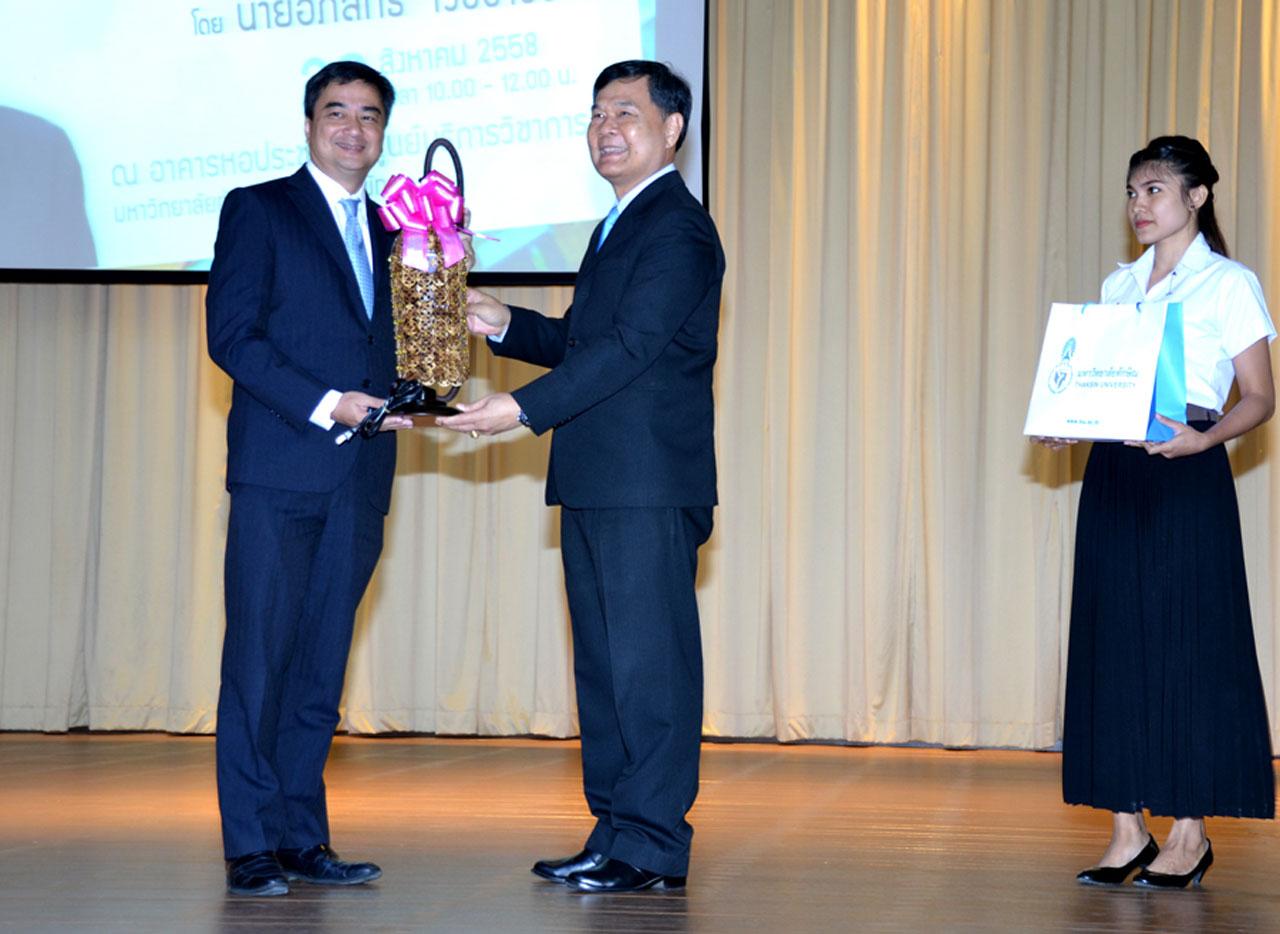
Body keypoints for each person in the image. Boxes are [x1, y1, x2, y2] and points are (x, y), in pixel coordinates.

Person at [437, 60, 725, 893]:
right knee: (604, 671)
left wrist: (521, 410)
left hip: (646, 484)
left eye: (626, 112)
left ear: (673, 129)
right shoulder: (618, 224)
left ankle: (653, 844)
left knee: (650, 669)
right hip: (600, 478)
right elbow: (587, 342)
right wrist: (506, 323)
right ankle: (616, 829)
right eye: (597, 113)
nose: (606, 128)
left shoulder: (677, 228)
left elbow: (630, 349)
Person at [205, 60, 416, 897]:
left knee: (321, 667)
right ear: (308, 124)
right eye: (337, 112)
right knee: (259, 663)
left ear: (383, 132)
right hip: (280, 470)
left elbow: (393, 345)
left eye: (369, 116)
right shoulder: (259, 208)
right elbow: (233, 337)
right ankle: (250, 842)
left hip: (361, 478)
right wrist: (330, 404)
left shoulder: (399, 231)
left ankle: (301, 835)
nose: (353, 129)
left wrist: (419, 383)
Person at [1048, 136, 1276, 888]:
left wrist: (1205, 439)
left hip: (1187, 468)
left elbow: (1261, 396)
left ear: (1196, 196)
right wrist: (1067, 419)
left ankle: (1188, 833)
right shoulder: (1119, 287)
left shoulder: (1228, 283)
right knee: (1112, 641)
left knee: (1188, 643)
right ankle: (1126, 830)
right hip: (1116, 472)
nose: (1138, 205)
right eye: (1132, 192)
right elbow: (1102, 384)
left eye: (1153, 189)